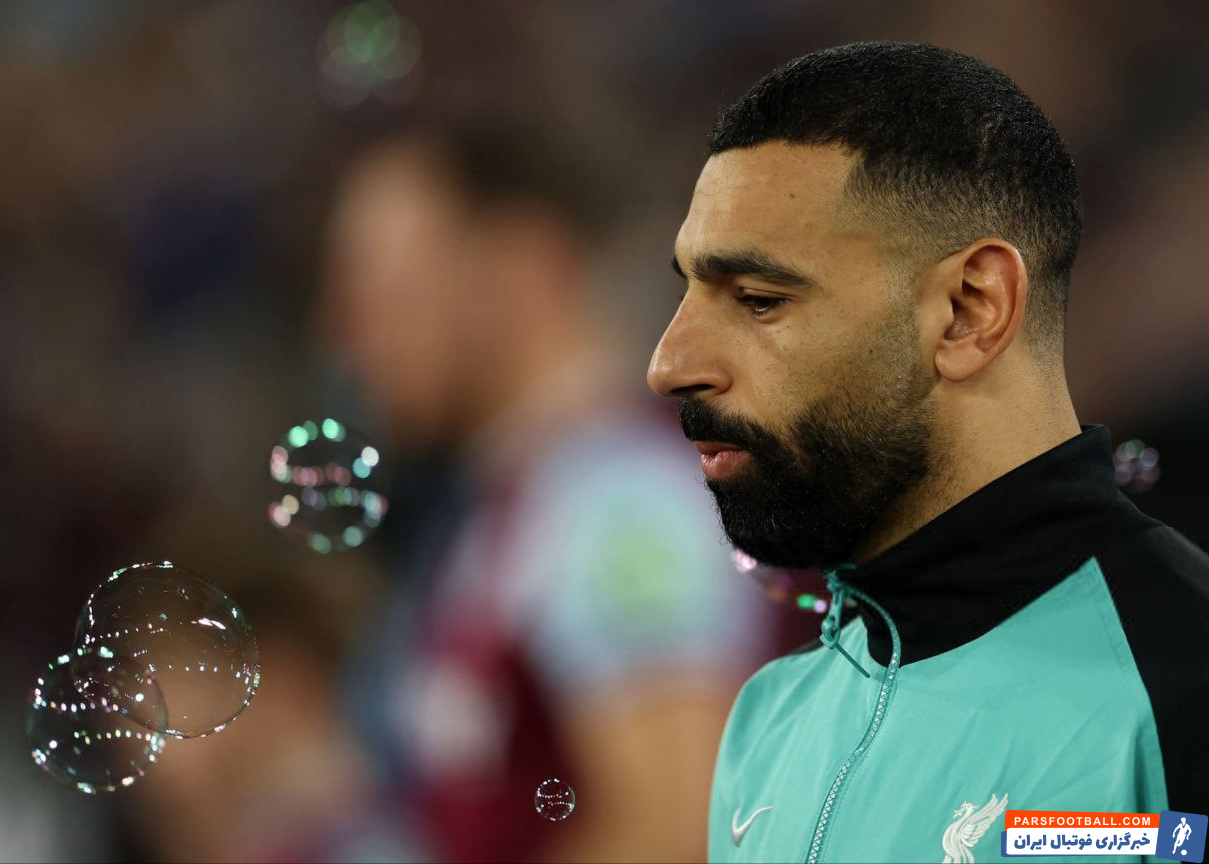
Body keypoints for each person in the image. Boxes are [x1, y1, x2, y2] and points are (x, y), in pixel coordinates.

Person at [646, 42, 1209, 863]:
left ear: (969, 310)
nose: (667, 365)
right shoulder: (768, 718)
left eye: (759, 300)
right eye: (687, 290)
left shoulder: (1181, 693)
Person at [321, 118, 805, 863]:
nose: (346, 327)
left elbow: (680, 829)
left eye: (389, 284)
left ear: (524, 265)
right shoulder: (518, 504)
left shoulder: (617, 497)